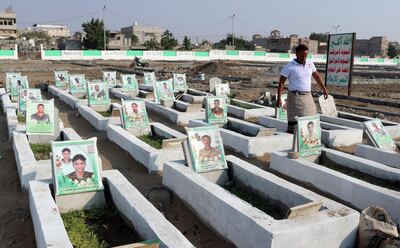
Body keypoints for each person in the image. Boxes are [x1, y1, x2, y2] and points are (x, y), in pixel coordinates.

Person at [276, 44, 329, 134]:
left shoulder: (309, 64)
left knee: (309, 119)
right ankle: (292, 140)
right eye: (301, 56)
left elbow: (316, 76)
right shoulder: (289, 66)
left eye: (305, 56)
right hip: (295, 97)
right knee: (294, 121)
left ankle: (306, 142)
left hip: (307, 96)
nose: (303, 58)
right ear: (296, 54)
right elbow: (281, 83)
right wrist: (279, 99)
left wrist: (324, 88)